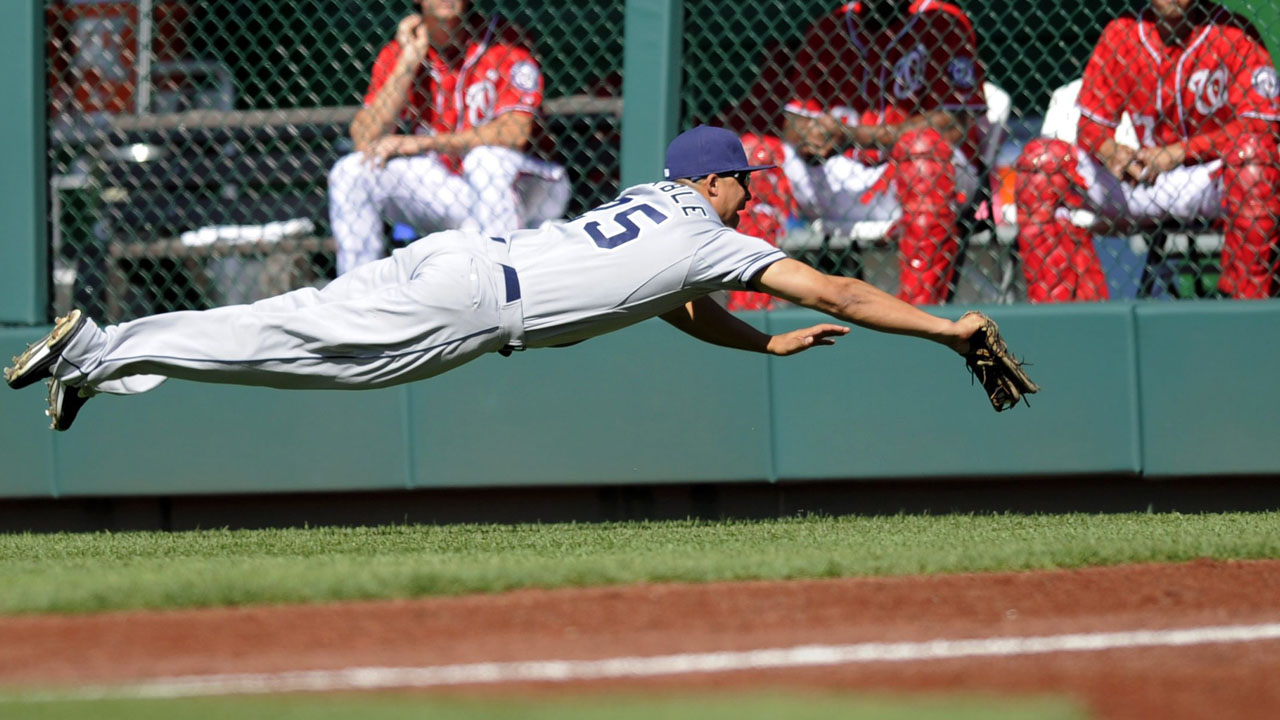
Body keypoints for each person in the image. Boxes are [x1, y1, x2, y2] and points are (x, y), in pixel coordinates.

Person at [6, 127, 989, 432]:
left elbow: (679, 305)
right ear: (716, 178)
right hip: (473, 304)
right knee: (293, 349)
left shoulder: (662, 206)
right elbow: (839, 290)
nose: (750, 196)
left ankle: (103, 362)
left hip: (462, 262)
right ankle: (101, 350)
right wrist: (944, 331)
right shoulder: (713, 233)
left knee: (291, 332)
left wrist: (762, 343)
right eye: (745, 182)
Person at [1014, 0, 1280, 302]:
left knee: (1255, 160)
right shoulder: (1122, 32)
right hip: (1142, 175)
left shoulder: (1235, 33)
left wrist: (1181, 152)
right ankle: (1070, 319)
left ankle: (1246, 310)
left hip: (1209, 177)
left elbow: (1261, 126)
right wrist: (1111, 150)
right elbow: (1090, 127)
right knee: (1041, 164)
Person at [750, 0, 987, 306]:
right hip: (838, 173)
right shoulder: (828, 27)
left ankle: (917, 317)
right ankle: (750, 320)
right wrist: (811, 134)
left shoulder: (942, 19)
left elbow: (954, 123)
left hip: (915, 174)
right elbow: (793, 121)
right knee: (752, 157)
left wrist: (854, 135)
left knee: (923, 153)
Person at [327, 0, 570, 275]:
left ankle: (501, 286)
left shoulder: (506, 40)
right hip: (453, 186)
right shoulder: (401, 50)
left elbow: (515, 132)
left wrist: (423, 143)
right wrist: (408, 61)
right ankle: (357, 297)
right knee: (351, 171)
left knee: (485, 160)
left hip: (531, 182)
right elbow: (364, 138)